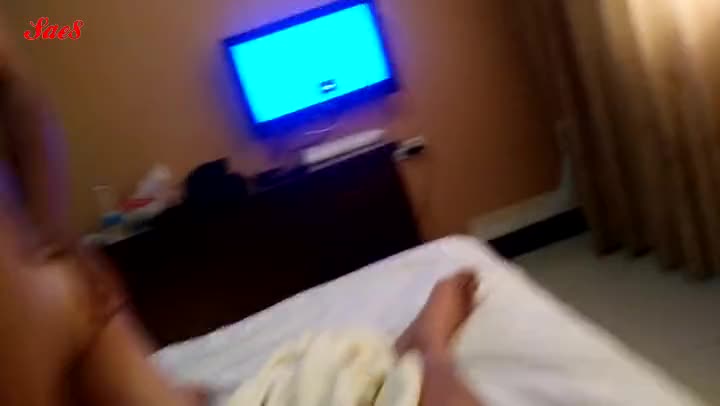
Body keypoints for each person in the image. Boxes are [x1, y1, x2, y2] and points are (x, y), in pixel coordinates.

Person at [0, 23, 483, 406]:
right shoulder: (61, 297)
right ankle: (428, 347)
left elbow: (27, 82)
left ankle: (422, 348)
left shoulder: (62, 297)